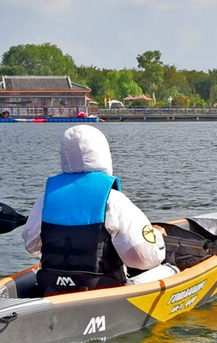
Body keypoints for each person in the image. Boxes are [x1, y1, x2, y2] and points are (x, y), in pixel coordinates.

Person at [21, 125, 171, 294]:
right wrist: (156, 237)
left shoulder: (46, 199)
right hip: (101, 288)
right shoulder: (113, 199)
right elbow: (143, 259)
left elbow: (31, 245)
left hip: (50, 285)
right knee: (170, 270)